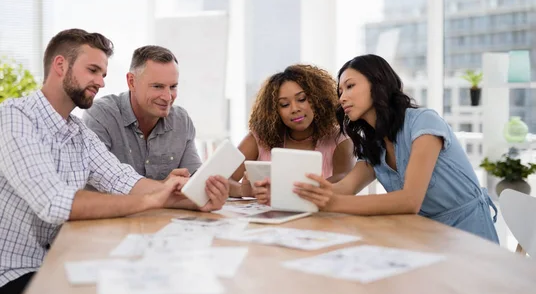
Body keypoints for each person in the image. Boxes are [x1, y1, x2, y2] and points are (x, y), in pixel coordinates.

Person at [0, 29, 228, 294]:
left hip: (45, 266)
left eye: (103, 73)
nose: (101, 81)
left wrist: (191, 200)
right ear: (60, 66)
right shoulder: (14, 119)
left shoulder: (77, 132)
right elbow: (55, 204)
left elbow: (124, 180)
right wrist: (153, 198)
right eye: (92, 70)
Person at [289, 54, 499, 243]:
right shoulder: (373, 142)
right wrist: (291, 192)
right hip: (426, 235)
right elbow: (345, 188)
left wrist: (333, 203)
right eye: (340, 91)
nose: (342, 97)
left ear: (378, 83)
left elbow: (410, 201)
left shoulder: (423, 122)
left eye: (350, 86)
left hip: (470, 236)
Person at [230, 64, 355, 204]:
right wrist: (245, 190)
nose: (295, 109)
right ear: (274, 111)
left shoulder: (339, 140)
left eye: (302, 99)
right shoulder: (258, 138)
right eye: (284, 104)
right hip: (266, 223)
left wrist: (283, 191)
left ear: (318, 99)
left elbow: (345, 184)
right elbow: (220, 180)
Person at [82, 45, 203, 181]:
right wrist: (163, 187)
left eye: (173, 86)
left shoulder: (181, 120)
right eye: (157, 86)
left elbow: (196, 180)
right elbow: (103, 182)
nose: (168, 97)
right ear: (132, 82)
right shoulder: (101, 115)